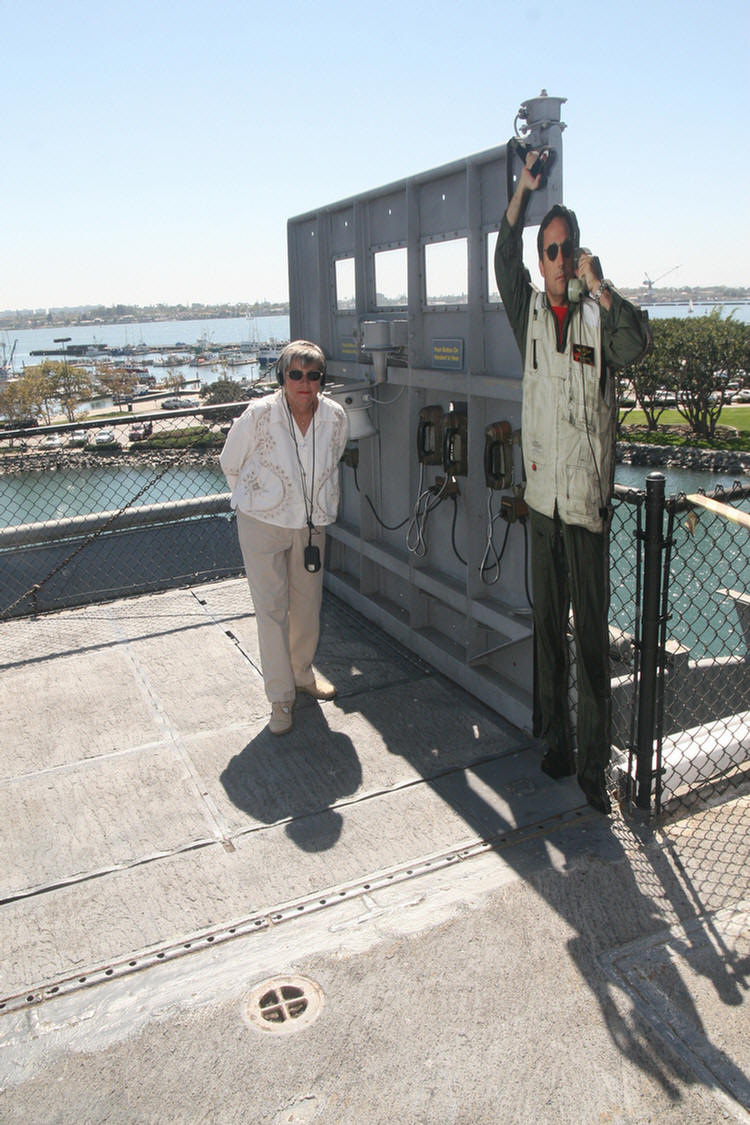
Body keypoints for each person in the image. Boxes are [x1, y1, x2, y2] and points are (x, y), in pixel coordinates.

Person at [494, 152, 650, 814]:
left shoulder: (597, 317)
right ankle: (556, 745)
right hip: (543, 505)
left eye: (566, 251)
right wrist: (521, 194)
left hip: (585, 506)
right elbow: (501, 257)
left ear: (579, 255)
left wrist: (603, 285)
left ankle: (595, 768)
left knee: (589, 643)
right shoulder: (527, 311)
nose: (557, 260)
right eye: (548, 250)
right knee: (548, 634)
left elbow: (637, 344)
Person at [220, 340, 349, 735]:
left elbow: (335, 457)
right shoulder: (259, 415)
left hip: (310, 526)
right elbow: (230, 462)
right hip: (262, 523)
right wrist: (261, 499)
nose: (304, 383)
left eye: (313, 376)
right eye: (295, 374)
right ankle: (280, 698)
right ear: (282, 378)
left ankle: (302, 673)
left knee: (308, 605)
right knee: (272, 610)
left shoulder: (336, 417)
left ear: (321, 381)